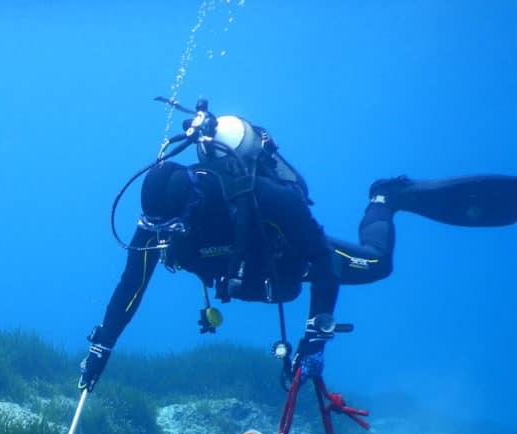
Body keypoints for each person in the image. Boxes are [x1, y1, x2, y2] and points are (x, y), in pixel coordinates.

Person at [78, 105, 517, 394]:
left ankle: (387, 197)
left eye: (171, 227)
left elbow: (324, 263)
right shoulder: (157, 224)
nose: (163, 238)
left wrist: (315, 337)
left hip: (295, 259)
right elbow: (131, 285)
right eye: (158, 230)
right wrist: (103, 347)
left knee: (377, 264)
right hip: (252, 274)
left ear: (191, 204)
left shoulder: (263, 199)